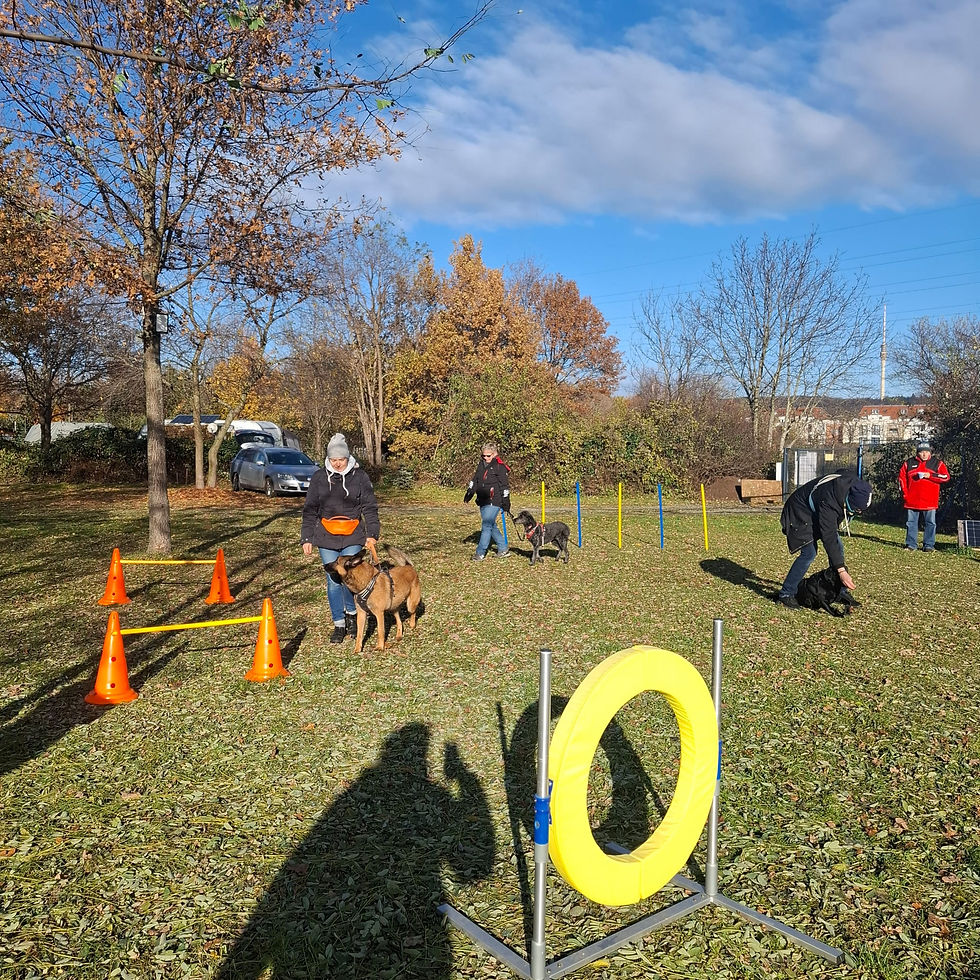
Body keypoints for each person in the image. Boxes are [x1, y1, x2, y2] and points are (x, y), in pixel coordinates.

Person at [301, 433, 380, 643]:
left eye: (341, 459)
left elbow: (369, 507)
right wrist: (307, 538)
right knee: (333, 580)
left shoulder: (360, 477)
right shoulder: (319, 478)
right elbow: (310, 509)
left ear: (348, 458)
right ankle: (339, 623)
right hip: (326, 536)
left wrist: (372, 534)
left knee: (350, 577)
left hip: (353, 534)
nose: (337, 463)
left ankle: (353, 615)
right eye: (333, 459)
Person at [776, 471, 873, 610]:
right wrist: (841, 571)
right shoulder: (830, 501)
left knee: (838, 547)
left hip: (815, 511)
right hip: (798, 512)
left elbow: (840, 472)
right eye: (857, 510)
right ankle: (786, 594)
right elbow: (829, 537)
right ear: (849, 500)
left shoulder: (853, 484)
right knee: (809, 553)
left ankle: (840, 591)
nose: (859, 513)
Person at [898, 440, 950, 552]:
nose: (924, 454)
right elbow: (902, 479)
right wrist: (905, 495)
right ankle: (911, 545)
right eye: (922, 452)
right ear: (918, 453)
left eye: (927, 452)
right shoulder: (909, 463)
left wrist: (930, 475)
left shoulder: (937, 463)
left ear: (930, 452)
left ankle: (929, 545)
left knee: (930, 523)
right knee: (911, 523)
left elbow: (945, 477)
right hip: (912, 500)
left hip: (930, 501)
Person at [463, 442, 512, 561]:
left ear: (495, 454)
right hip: (482, 499)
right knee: (490, 525)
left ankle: (480, 553)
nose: (485, 458)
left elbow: (505, 486)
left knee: (486, 525)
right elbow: (475, 479)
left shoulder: (500, 467)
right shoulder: (481, 464)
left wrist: (506, 502)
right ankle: (503, 548)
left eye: (488, 456)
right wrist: (470, 492)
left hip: (494, 500)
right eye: (483, 455)